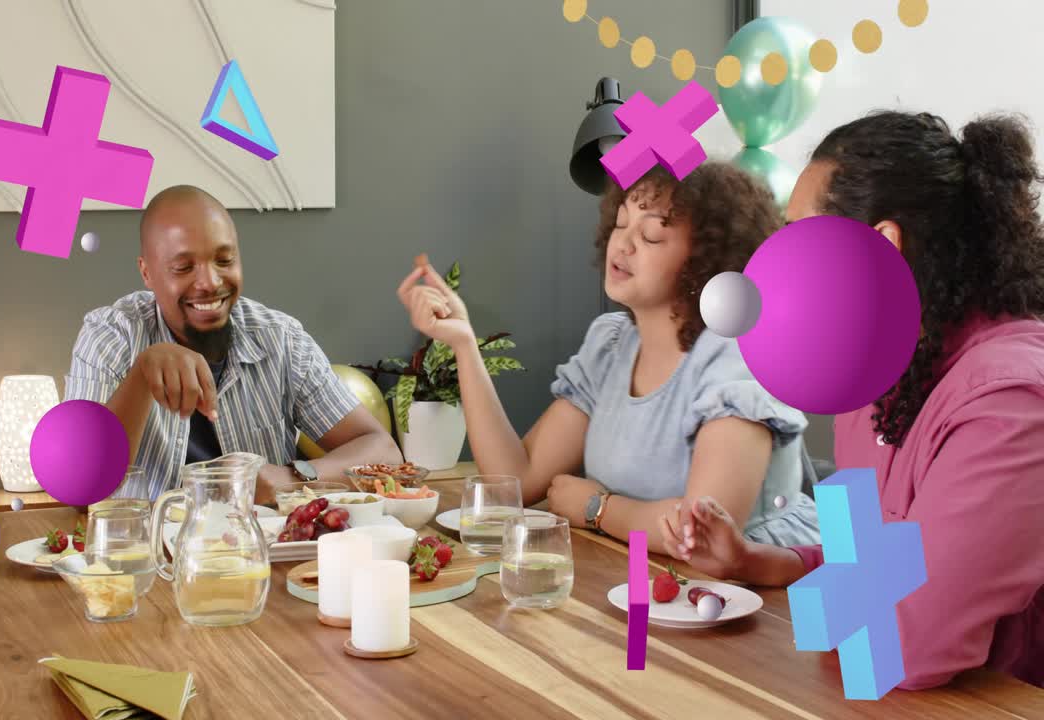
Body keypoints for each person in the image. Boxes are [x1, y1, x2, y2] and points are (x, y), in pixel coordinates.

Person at [662, 112, 1044, 690]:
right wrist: (758, 561)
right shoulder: (872, 378)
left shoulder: (1012, 403)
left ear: (881, 245)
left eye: (798, 234)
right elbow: (862, 560)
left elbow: (906, 649)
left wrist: (835, 605)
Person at [397, 163, 820, 550]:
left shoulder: (736, 357)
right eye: (620, 223)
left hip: (758, 598)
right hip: (641, 579)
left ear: (707, 259)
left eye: (651, 235)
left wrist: (597, 508)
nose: (624, 244)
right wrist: (464, 344)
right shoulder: (612, 344)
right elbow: (517, 480)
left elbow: (703, 534)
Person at [65, 185, 401, 504]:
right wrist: (141, 376)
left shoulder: (281, 339)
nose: (210, 282)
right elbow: (81, 488)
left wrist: (289, 480)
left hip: (258, 543)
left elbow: (383, 451)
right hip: (146, 543)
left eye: (224, 261)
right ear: (147, 273)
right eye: (183, 267)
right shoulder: (112, 336)